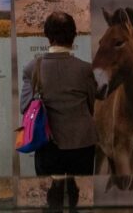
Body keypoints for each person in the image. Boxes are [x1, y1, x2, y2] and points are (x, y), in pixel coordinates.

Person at [20, 11, 98, 176]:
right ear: (73, 36)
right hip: (82, 143)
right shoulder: (85, 69)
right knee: (81, 196)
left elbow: (24, 107)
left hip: (47, 145)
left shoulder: (32, 68)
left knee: (51, 197)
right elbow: (91, 105)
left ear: (47, 35)